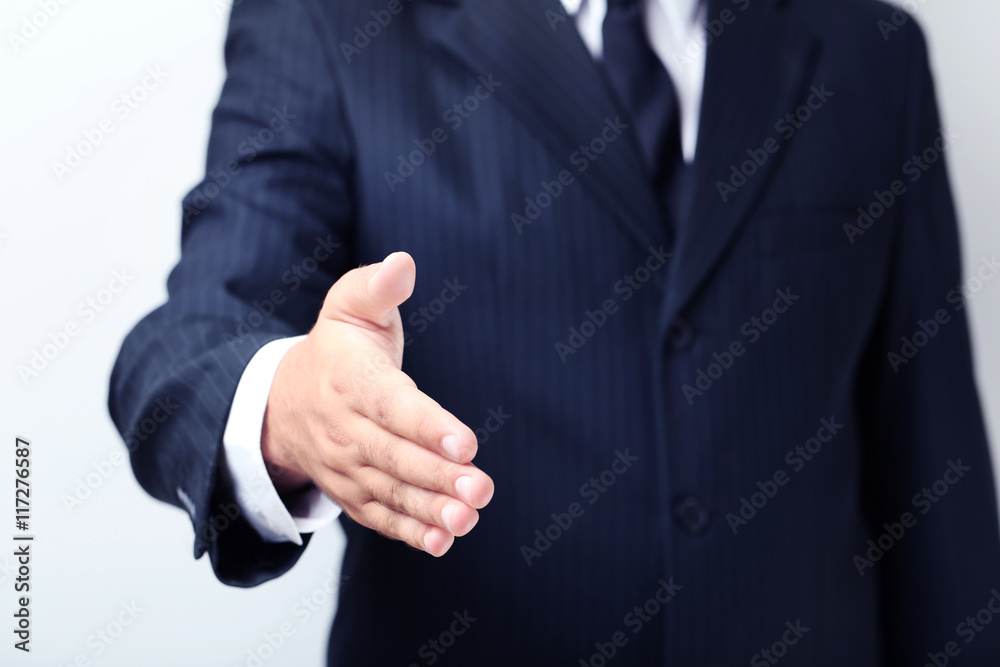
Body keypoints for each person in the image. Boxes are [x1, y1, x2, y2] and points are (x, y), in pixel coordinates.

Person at [109, 0, 1000, 663]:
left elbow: (933, 471)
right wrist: (286, 405)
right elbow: (189, 335)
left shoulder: (869, 50)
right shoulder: (332, 22)